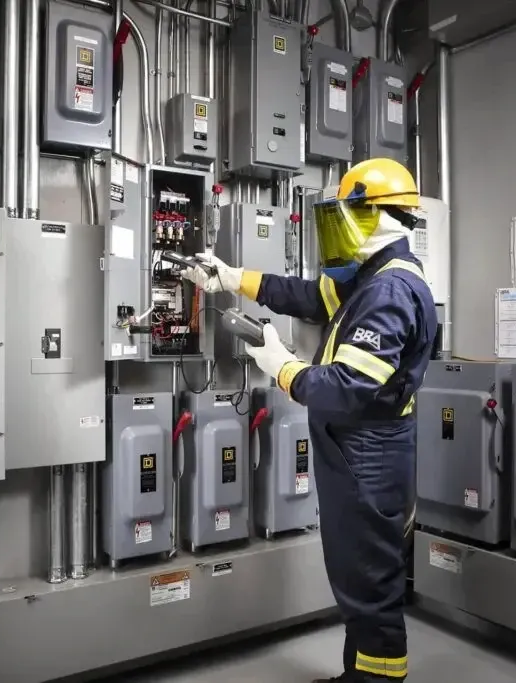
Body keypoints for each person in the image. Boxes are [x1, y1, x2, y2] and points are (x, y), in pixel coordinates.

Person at [183, 158, 438, 682]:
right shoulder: (373, 276)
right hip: (360, 453)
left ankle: (377, 679)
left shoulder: (389, 290)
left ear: (379, 217)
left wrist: (284, 369)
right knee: (356, 573)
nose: (339, 227)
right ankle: (359, 675)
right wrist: (231, 278)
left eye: (349, 214)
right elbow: (307, 297)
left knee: (369, 579)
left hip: (369, 455)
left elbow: (348, 387)